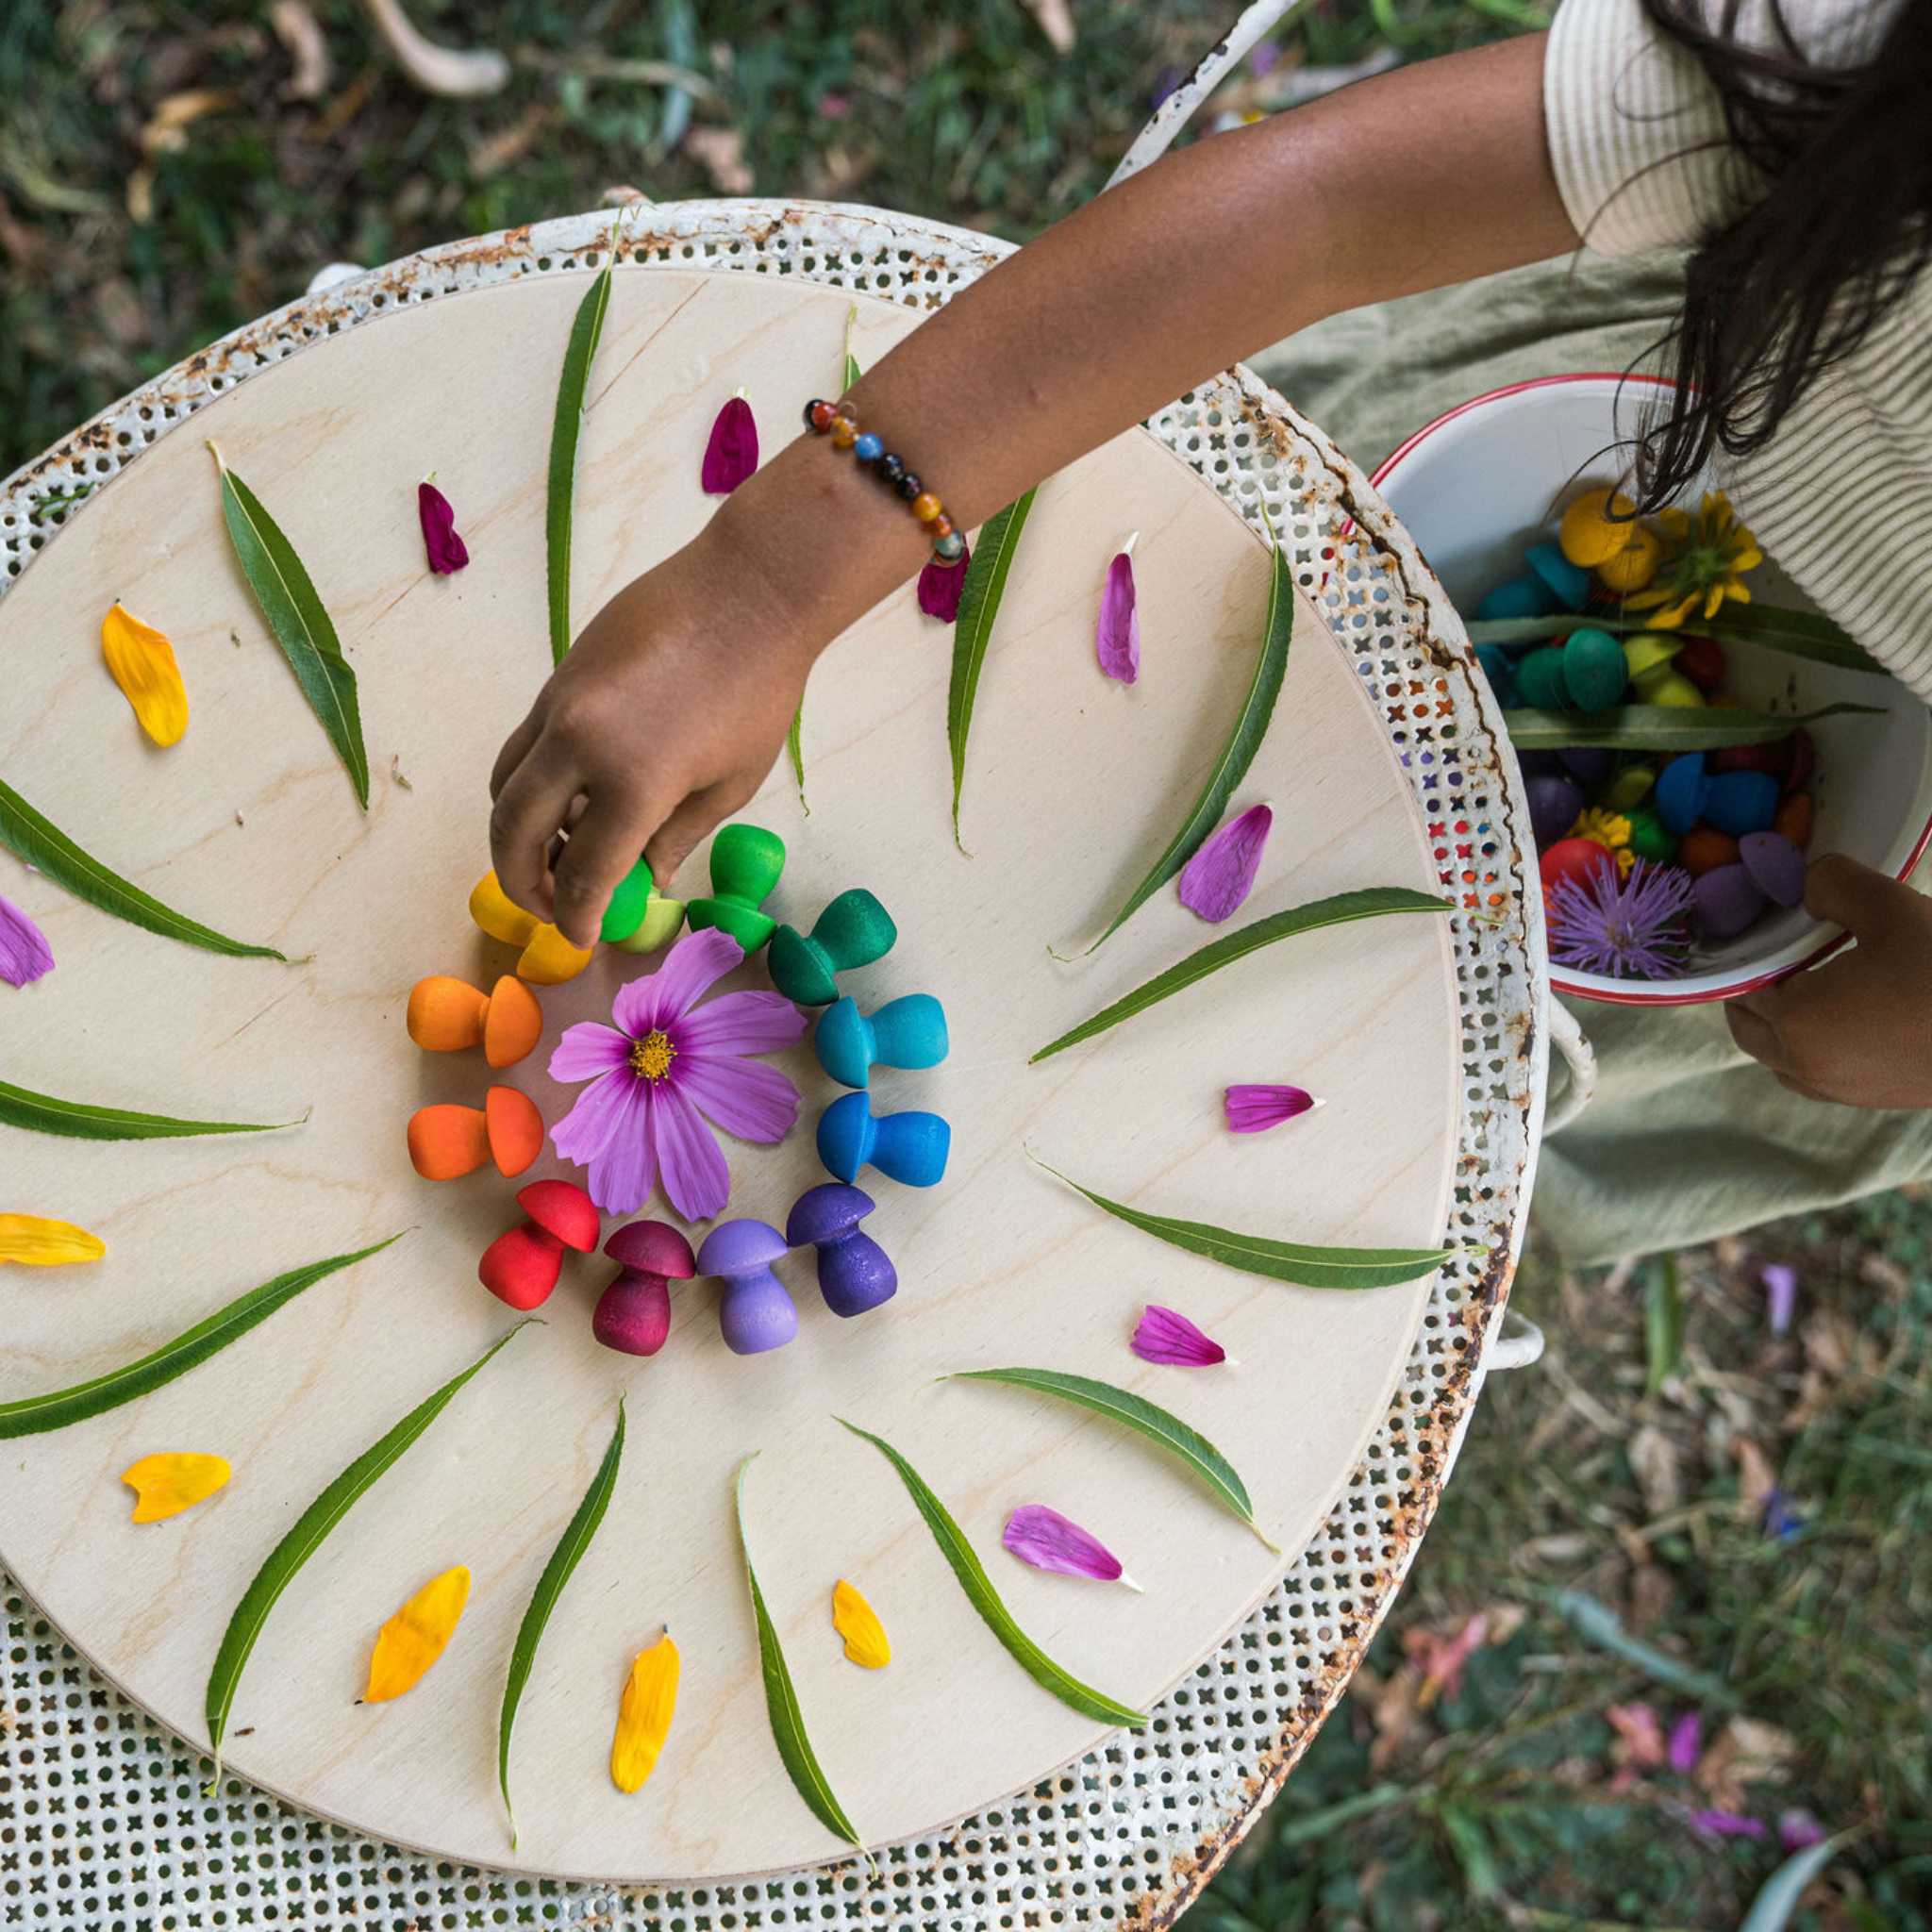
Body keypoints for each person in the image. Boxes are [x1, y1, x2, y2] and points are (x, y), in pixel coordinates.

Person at [486, 0, 1932, 1256]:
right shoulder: (1873, 67)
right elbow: (1328, 209)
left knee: (1362, 1059)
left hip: (1881, 906)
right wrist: (764, 582)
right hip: (1684, 419)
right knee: (1164, 659)